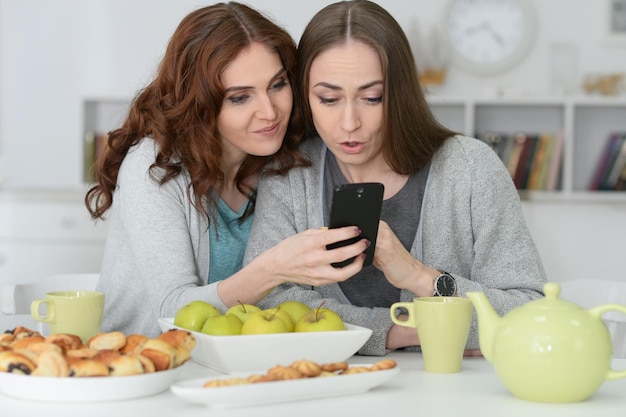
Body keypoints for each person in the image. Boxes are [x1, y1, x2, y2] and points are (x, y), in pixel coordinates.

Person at [244, 0, 547, 356]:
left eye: (372, 98)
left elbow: (531, 312)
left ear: (400, 94)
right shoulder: (291, 172)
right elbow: (266, 303)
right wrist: (399, 330)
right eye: (328, 99)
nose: (349, 123)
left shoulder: (470, 168)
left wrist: (419, 276)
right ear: (304, 96)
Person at [85, 2, 368, 337]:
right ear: (200, 101)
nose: (269, 112)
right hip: (146, 362)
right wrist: (273, 269)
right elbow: (173, 311)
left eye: (277, 85)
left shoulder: (283, 158)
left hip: (241, 366)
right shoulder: (154, 168)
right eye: (239, 98)